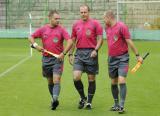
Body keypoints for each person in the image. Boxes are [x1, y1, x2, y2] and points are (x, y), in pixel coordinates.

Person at [28, 10, 73, 110]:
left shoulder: (61, 30)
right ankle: (53, 99)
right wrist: (36, 45)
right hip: (46, 60)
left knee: (56, 80)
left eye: (58, 19)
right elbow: (30, 37)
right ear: (50, 18)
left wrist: (63, 53)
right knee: (49, 82)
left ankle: (55, 99)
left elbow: (70, 42)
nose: (58, 20)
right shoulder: (43, 29)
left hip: (57, 59)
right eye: (56, 19)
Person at [103, 10, 143, 114]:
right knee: (113, 82)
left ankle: (121, 105)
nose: (103, 20)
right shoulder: (106, 27)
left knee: (121, 80)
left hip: (122, 58)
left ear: (109, 17)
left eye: (104, 18)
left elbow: (129, 41)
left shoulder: (122, 26)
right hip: (111, 58)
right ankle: (116, 104)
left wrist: (138, 55)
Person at [68, 4, 103, 110]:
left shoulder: (96, 24)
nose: (83, 14)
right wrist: (70, 54)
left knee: (91, 78)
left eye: (85, 12)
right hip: (79, 53)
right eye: (81, 12)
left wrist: (96, 50)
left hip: (91, 53)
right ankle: (83, 97)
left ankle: (89, 102)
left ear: (89, 12)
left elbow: (100, 39)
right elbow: (73, 41)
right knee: (76, 77)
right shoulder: (75, 24)